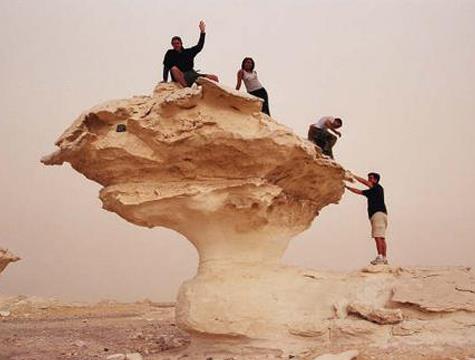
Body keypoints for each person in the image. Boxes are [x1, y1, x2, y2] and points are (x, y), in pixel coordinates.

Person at [345, 172, 389, 265]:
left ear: (375, 180)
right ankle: (384, 258)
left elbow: (364, 182)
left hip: (378, 214)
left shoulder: (377, 187)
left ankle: (380, 256)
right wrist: (347, 187)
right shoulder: (371, 192)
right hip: (380, 214)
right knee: (381, 237)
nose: (369, 179)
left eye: (371, 178)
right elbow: (358, 191)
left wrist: (353, 175)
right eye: (368, 177)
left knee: (377, 236)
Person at [162, 20, 219, 87]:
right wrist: (165, 80)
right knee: (174, 69)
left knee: (214, 78)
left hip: (192, 75)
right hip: (180, 76)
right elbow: (166, 67)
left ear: (181, 43)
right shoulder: (170, 53)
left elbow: (199, 46)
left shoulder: (188, 52)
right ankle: (186, 88)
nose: (176, 45)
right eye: (174, 44)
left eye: (177, 43)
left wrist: (202, 32)